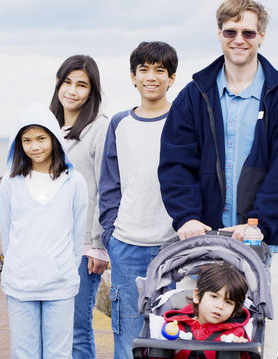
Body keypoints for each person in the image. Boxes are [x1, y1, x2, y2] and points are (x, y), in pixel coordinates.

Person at [158, 0, 278, 358]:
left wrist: (259, 223)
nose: (239, 39)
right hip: (205, 244)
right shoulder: (193, 96)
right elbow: (175, 164)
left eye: (248, 32)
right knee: (197, 343)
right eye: (231, 31)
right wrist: (187, 217)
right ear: (220, 34)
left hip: (268, 243)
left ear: (261, 37)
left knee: (261, 345)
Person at [98, 41, 178, 358]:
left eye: (160, 70)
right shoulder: (120, 123)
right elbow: (110, 182)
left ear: (172, 78)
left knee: (173, 336)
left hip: (174, 245)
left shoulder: (183, 120)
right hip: (127, 244)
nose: (151, 77)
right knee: (128, 339)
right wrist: (110, 233)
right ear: (133, 76)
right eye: (144, 70)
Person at [0, 102, 88, 359]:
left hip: (60, 284)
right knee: (23, 353)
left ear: (54, 139)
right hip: (20, 283)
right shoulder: (10, 182)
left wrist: (65, 269)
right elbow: (7, 232)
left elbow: (77, 235)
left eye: (41, 138)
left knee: (59, 354)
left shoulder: (74, 182)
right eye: (26, 140)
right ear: (19, 143)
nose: (34, 146)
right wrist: (17, 264)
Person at [49, 54, 109, 359]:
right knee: (54, 329)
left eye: (81, 85)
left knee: (77, 327)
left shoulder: (100, 128)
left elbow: (106, 189)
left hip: (82, 245)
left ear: (92, 90)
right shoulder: (46, 126)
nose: (72, 90)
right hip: (47, 244)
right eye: (67, 82)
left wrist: (98, 245)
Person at [163, 263, 250, 359]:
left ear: (234, 310)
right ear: (197, 296)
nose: (220, 306)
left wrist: (242, 352)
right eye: (214, 296)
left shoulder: (236, 334)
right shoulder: (175, 327)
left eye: (228, 302)